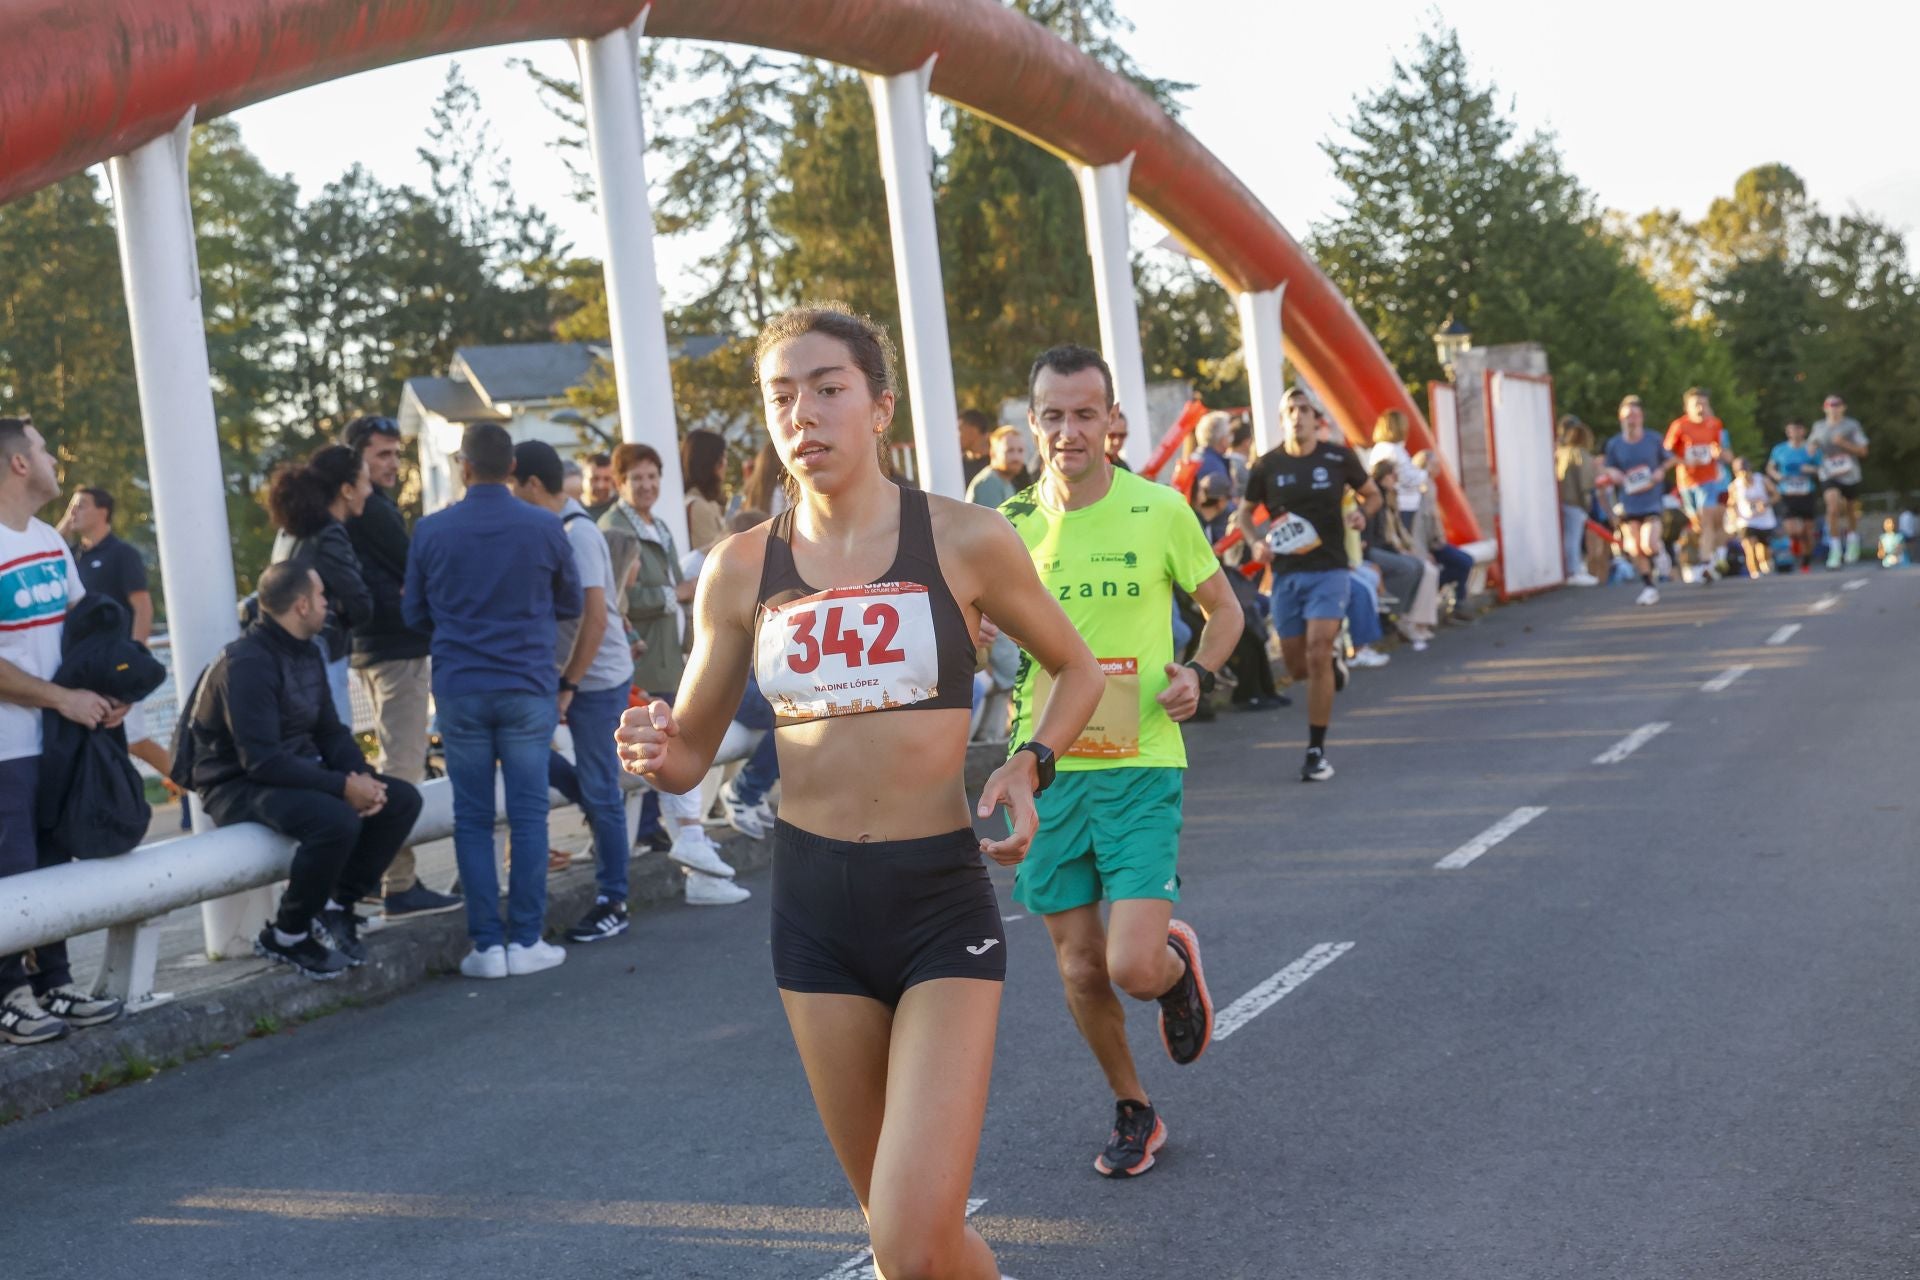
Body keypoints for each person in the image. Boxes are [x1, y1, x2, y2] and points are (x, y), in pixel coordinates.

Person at [616, 304, 1103, 1280]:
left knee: (914, 1235)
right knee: (902, 1240)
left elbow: (1075, 669)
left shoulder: (965, 539)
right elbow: (691, 753)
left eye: (828, 388)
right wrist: (650, 748)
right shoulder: (741, 566)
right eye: (780, 396)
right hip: (815, 906)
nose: (804, 414)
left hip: (937, 900)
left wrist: (1026, 760)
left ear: (879, 407)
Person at [999, 343, 1242, 1178]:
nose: (1069, 430)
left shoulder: (1159, 510)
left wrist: (1197, 673)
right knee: (1076, 964)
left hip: (1141, 760)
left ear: (1113, 423)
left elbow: (1224, 612)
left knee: (1128, 964)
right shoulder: (1009, 526)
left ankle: (1171, 970)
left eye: (1084, 414)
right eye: (1053, 415)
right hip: (1048, 767)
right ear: (1033, 424)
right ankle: (1133, 1106)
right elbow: (966, 626)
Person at [405, 422, 582, 979]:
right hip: (527, 684)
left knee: (473, 818)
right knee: (529, 816)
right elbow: (571, 600)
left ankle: (487, 947)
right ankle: (526, 939)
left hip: (460, 687)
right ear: (511, 470)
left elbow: (412, 614)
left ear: (463, 467)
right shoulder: (544, 526)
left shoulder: (430, 532)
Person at [189, 561, 424, 979]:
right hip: (236, 785)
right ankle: (288, 933)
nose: (327, 605)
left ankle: (335, 908)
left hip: (289, 771)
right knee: (335, 820)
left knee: (402, 799)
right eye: (320, 597)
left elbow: (330, 732)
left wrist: (362, 777)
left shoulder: (308, 651)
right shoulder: (248, 663)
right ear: (300, 606)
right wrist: (341, 788)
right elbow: (259, 760)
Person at [0, 419, 126, 1044]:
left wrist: (110, 691)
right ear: (19, 464)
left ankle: (53, 982)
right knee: (12, 868)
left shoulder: (50, 539)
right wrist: (62, 699)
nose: (55, 458)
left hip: (60, 741)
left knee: (52, 863)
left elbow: (81, 629)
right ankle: (7, 996)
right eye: (45, 448)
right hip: (6, 748)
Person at [600, 441, 744, 902]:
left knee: (663, 751)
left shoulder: (658, 524)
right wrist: (674, 595)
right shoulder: (613, 528)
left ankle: (690, 857)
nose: (646, 485)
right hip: (638, 658)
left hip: (664, 653)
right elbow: (613, 597)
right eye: (636, 478)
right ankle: (688, 848)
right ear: (620, 483)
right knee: (657, 749)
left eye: (651, 476)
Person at [511, 441, 640, 944]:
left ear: (534, 486)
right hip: (562, 675)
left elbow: (596, 616)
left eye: (513, 488)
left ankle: (614, 900)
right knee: (539, 760)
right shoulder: (545, 528)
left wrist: (568, 685)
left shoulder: (578, 532)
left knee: (603, 792)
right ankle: (595, 819)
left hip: (596, 678)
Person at [341, 415, 460, 919]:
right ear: (358, 459)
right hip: (396, 655)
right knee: (403, 770)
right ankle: (396, 882)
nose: (392, 463)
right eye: (382, 455)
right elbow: (418, 571)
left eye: (395, 453)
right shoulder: (374, 512)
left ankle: (379, 878)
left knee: (393, 763)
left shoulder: (353, 510)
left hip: (371, 651)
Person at [1237, 387, 1381, 781]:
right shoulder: (1267, 465)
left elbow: (1372, 495)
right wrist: (1254, 542)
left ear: (1315, 417)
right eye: (1290, 410)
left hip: (1330, 570)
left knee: (1318, 650)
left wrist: (1362, 515)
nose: (1297, 416)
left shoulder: (1337, 457)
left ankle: (1316, 750)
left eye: (1304, 409)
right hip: (1286, 575)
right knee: (1298, 664)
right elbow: (1245, 515)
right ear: (1281, 419)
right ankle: (1332, 667)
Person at [54, 485, 175, 783]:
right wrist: (65, 527)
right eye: (72, 506)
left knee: (133, 737)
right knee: (101, 740)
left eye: (81, 505)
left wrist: (134, 657)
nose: (74, 511)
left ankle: (197, 784)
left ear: (103, 511)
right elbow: (46, 550)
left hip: (115, 663)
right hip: (81, 666)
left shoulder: (123, 554)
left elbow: (142, 607)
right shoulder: (72, 555)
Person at [267, 445, 373, 720]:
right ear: (347, 490)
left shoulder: (289, 532)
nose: (369, 491)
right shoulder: (329, 535)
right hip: (323, 654)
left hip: (288, 655)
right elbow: (360, 604)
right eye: (365, 481)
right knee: (334, 739)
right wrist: (338, 610)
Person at [1601, 396, 1675, 606]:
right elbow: (1609, 466)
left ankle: (1659, 554)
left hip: (1651, 501)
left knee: (1648, 544)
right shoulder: (1615, 444)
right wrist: (1615, 474)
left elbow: (1670, 459)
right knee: (1634, 548)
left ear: (1641, 417)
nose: (1631, 420)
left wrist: (1660, 471)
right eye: (1627, 417)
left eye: (1634, 416)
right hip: (1629, 502)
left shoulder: (1652, 439)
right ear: (1620, 418)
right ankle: (1649, 587)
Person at [1664, 388, 1732, 582]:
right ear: (1687, 407)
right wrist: (1684, 461)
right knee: (1698, 526)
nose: (1701, 408)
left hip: (1710, 480)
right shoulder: (1679, 426)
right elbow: (1667, 454)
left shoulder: (1715, 424)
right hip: (1686, 483)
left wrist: (1719, 454)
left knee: (1708, 518)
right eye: (1696, 404)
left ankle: (1705, 563)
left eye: (1703, 403)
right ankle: (1714, 553)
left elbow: (1723, 450)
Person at [1810, 394, 1870, 568]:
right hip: (1828, 472)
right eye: (1830, 405)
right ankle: (1835, 548)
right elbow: (1811, 446)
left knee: (1851, 509)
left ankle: (1852, 541)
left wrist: (1844, 443)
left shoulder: (1852, 426)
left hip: (1849, 472)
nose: (1834, 408)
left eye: (1837, 405)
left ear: (1843, 407)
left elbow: (1863, 451)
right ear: (1825, 408)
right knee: (1833, 507)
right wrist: (1812, 449)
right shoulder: (1819, 426)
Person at [1766, 419, 1821, 572]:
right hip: (1787, 493)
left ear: (1803, 431)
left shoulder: (1811, 449)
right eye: (1791, 430)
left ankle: (1806, 561)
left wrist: (1810, 469)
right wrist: (1777, 476)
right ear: (1787, 432)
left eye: (1798, 429)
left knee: (1807, 532)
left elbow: (1822, 468)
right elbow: (1770, 468)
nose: (1795, 433)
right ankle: (1794, 542)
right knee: (1792, 530)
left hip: (1806, 492)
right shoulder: (1779, 450)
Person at [1554, 417, 1601, 586]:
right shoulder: (1581, 454)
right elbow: (1586, 482)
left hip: (1561, 500)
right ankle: (1573, 571)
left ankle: (1569, 570)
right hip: (1575, 502)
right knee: (1573, 538)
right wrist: (1587, 501)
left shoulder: (1561, 452)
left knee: (1567, 537)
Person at [1367, 409, 1425, 537]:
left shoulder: (1386, 448)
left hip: (1402, 502)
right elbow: (1406, 477)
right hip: (1401, 503)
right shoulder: (1392, 450)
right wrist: (1423, 474)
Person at [1728, 456, 1778, 578]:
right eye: (1741, 471)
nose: (1744, 474)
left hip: (1764, 520)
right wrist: (1734, 520)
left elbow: (1776, 495)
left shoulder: (1762, 480)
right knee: (1749, 547)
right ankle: (1754, 573)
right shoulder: (1734, 486)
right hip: (1746, 521)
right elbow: (1731, 505)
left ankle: (1764, 564)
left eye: (1746, 471)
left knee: (1763, 549)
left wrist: (1766, 504)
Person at [682, 427, 729, 553]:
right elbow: (713, 555)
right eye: (723, 457)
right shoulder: (698, 506)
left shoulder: (704, 502)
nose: (725, 464)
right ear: (712, 463)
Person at [964, 425, 1029, 509]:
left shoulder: (1004, 480)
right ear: (993, 454)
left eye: (1020, 450)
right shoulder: (989, 484)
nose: (1016, 457)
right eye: (1010, 450)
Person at [958, 406, 994, 485]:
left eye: (959, 429)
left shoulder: (1001, 462)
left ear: (973, 430)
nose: (956, 435)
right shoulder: (957, 465)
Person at [582, 451, 617, 521]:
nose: (601, 486)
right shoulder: (573, 511)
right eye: (595, 479)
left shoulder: (621, 510)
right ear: (582, 478)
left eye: (607, 479)